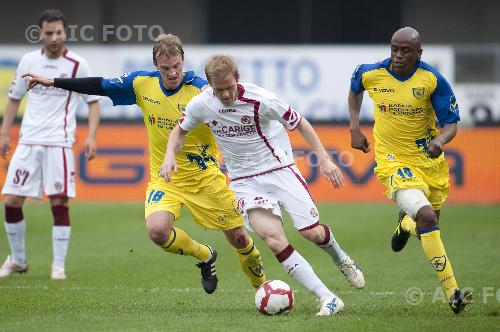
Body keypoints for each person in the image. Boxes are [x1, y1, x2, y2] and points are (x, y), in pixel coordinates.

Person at [24, 34, 266, 294]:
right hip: (166, 178)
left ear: (183, 60)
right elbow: (100, 85)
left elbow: (235, 114)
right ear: (156, 66)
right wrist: (54, 81)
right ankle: (205, 255)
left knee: (239, 238)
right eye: (166, 68)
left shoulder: (202, 90)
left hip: (206, 179)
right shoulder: (141, 83)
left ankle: (262, 289)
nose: (173, 73)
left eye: (177, 66)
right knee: (157, 230)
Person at [161, 54, 365, 316]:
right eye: (219, 89)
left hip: (280, 171)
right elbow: (180, 130)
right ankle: (328, 298)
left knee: (311, 233)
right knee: (273, 240)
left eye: (229, 87)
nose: (225, 95)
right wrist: (169, 156)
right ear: (210, 85)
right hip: (244, 182)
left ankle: (341, 258)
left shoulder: (262, 99)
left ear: (237, 79)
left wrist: (324, 160)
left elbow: (300, 122)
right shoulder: (201, 104)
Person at [348, 27, 472, 314]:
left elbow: (451, 122)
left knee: (429, 225)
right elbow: (355, 87)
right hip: (392, 161)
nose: (398, 55)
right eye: (394, 49)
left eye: (405, 51)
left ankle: (405, 225)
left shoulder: (431, 80)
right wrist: (354, 127)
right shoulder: (371, 73)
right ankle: (454, 293)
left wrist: (440, 140)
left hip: (428, 163)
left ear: (419, 53)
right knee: (427, 216)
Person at [0, 9, 100, 280]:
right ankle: (19, 260)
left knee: (59, 201)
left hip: (59, 142)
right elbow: (13, 98)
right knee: (10, 200)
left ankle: (58, 265)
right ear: (40, 34)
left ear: (65, 33)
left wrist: (91, 136)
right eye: (49, 32)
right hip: (29, 140)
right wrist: (4, 132)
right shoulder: (28, 61)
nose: (54, 37)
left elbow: (92, 103)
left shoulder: (78, 64)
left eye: (59, 32)